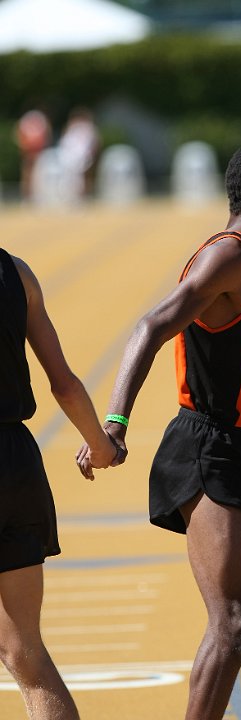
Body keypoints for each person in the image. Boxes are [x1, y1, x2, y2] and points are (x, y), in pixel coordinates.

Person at [76, 140, 241, 720]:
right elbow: (154, 322)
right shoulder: (230, 258)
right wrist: (114, 422)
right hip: (204, 450)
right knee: (234, 619)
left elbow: (233, 380)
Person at [0, 249, 118, 718]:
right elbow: (63, 382)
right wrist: (101, 443)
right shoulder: (17, 273)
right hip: (16, 462)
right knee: (25, 651)